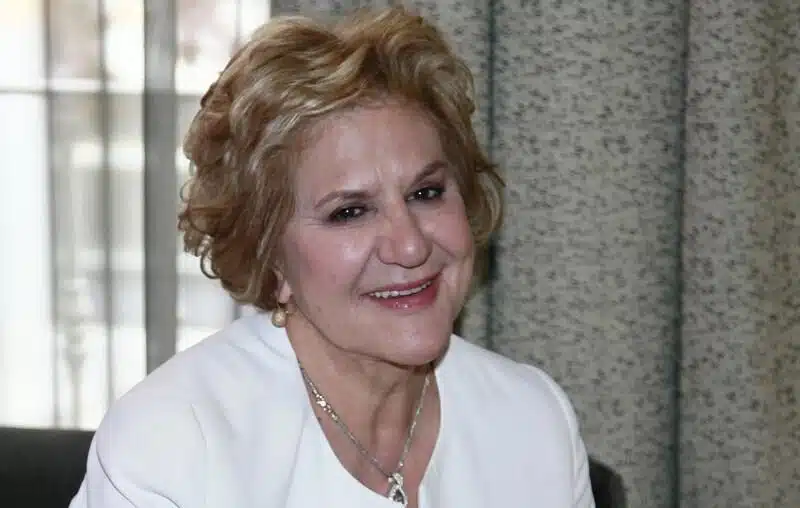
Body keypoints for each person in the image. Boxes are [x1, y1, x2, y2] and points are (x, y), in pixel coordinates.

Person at [70, 6, 594, 508]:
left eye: (426, 193)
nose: (410, 245)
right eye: (350, 212)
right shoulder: (170, 447)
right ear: (270, 256)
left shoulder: (533, 421)